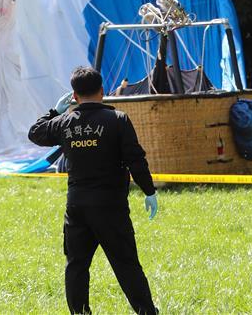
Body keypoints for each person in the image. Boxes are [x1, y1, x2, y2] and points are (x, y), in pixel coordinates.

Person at [28, 66, 158, 315]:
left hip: (77, 206)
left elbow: (35, 133)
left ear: (74, 97)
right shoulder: (117, 120)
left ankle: (80, 312)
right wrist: (148, 190)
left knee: (76, 265)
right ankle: (145, 311)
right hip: (111, 206)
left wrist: (55, 110)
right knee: (126, 263)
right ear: (102, 91)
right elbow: (135, 159)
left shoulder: (64, 122)